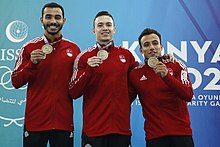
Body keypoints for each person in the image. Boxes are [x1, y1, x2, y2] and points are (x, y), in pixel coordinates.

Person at [11, 2, 80, 147]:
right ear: (41, 19)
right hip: (35, 123)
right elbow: (15, 82)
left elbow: (77, 87)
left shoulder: (74, 49)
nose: (53, 21)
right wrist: (32, 64)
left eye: (57, 17)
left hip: (63, 123)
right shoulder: (29, 48)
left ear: (64, 21)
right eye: (48, 17)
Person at [68, 11, 138, 147]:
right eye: (100, 25)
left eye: (108, 25)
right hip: (94, 131)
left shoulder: (126, 55)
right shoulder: (83, 57)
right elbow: (73, 92)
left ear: (114, 29)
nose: (105, 28)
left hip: (121, 130)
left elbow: (139, 79)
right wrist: (88, 71)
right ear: (94, 30)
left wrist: (124, 99)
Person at [128, 28, 194, 147]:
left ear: (161, 46)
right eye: (146, 45)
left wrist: (166, 76)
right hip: (155, 138)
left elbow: (188, 95)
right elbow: (125, 100)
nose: (152, 47)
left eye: (155, 43)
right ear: (141, 50)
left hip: (181, 135)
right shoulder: (135, 74)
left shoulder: (177, 65)